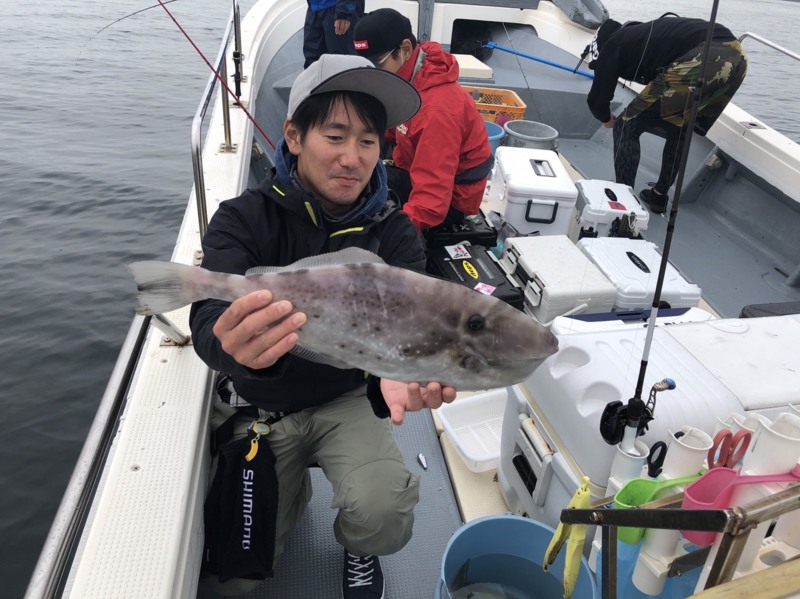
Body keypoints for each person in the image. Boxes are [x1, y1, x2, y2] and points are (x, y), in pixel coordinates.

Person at [190, 54, 456, 598]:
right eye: (334, 136)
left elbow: (408, 332)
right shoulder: (244, 218)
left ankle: (360, 548)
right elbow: (208, 319)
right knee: (235, 581)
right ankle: (289, 493)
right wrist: (232, 348)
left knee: (382, 510)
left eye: (368, 141)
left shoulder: (396, 231)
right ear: (293, 136)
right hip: (261, 402)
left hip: (346, 395)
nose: (352, 158)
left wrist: (401, 374)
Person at [583, 15, 747, 214]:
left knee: (626, 125)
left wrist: (606, 119)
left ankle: (624, 203)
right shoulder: (644, 37)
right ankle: (659, 196)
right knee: (679, 123)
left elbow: (597, 99)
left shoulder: (613, 45)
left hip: (708, 56)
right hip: (738, 57)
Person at [352, 8, 494, 233]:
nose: (373, 73)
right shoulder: (409, 75)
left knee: (361, 200)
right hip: (412, 166)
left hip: (450, 202)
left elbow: (431, 201)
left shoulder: (437, 111)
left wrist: (389, 234)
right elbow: (393, 127)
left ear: (405, 49)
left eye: (378, 64)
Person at [303, 0, 365, 69]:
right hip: (314, 8)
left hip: (339, 9)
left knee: (345, 65)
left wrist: (344, 10)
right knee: (313, 66)